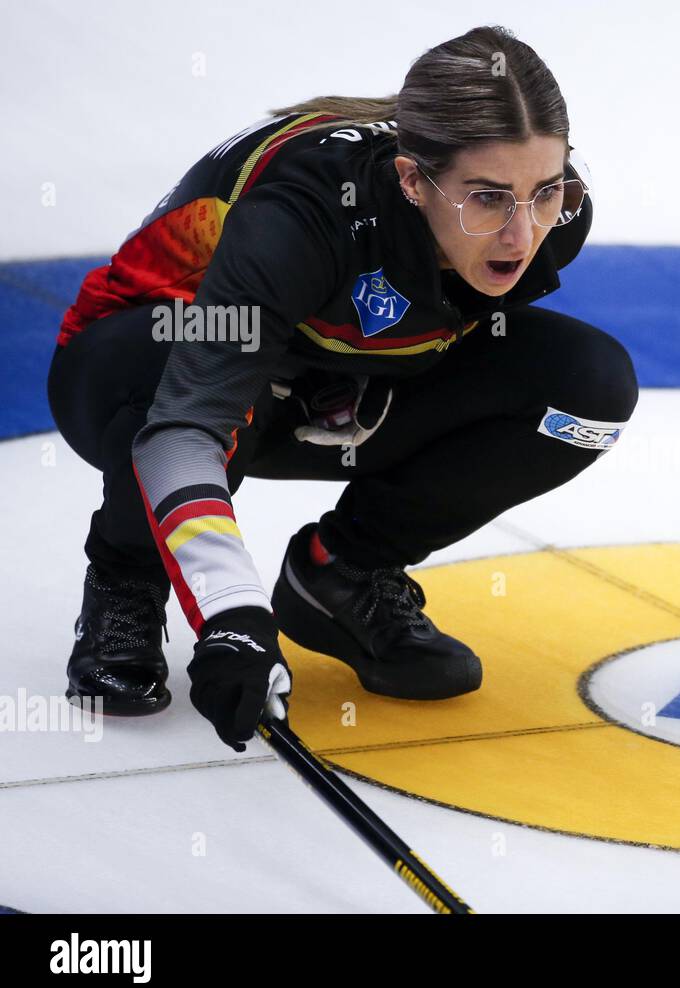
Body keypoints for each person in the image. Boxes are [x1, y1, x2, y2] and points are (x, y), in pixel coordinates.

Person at [46, 25, 638, 751]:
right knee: (199, 384)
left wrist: (350, 380)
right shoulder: (303, 218)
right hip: (140, 363)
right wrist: (230, 610)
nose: (522, 234)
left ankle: (343, 572)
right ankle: (126, 573)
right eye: (487, 199)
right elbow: (187, 427)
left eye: (544, 190)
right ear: (411, 178)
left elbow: (450, 312)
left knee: (587, 387)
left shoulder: (559, 217)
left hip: (333, 369)